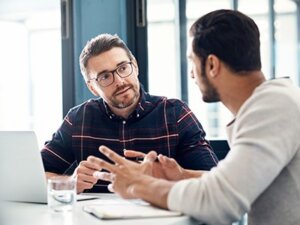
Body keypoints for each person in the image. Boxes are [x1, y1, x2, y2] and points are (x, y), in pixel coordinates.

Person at [86, 9, 300, 225]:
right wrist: (180, 175)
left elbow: (219, 203)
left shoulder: (272, 108)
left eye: (192, 62)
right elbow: (234, 183)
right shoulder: (273, 103)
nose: (191, 74)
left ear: (212, 65)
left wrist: (138, 185)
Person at [41, 33, 218, 193]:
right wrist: (69, 182)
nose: (119, 81)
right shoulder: (78, 119)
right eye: (104, 76)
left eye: (123, 68)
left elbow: (213, 181)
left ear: (135, 66)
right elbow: (34, 176)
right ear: (92, 87)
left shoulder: (175, 113)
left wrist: (172, 175)